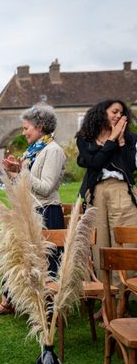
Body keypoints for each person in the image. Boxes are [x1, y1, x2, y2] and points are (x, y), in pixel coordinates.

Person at [0, 103, 66, 318]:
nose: (23, 132)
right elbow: (26, 185)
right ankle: (8, 301)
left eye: (26, 127)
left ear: (40, 126)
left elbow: (46, 187)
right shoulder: (34, 151)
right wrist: (14, 173)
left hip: (47, 213)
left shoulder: (53, 151)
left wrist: (21, 170)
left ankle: (46, 309)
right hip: (28, 210)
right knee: (18, 256)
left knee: (44, 263)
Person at [76, 99, 137, 279]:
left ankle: (122, 298)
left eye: (121, 113)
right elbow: (94, 164)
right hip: (96, 192)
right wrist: (111, 140)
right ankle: (106, 298)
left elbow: (130, 167)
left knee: (124, 241)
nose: (118, 116)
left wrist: (122, 140)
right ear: (102, 112)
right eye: (115, 112)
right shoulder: (85, 138)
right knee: (99, 244)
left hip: (121, 190)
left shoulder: (130, 137)